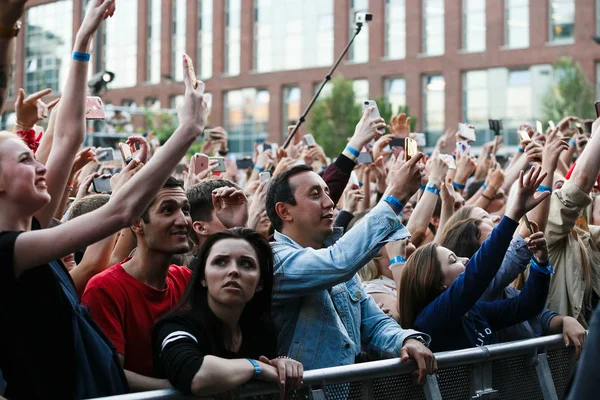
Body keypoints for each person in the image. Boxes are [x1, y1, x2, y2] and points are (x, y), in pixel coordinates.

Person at [0, 1, 209, 395]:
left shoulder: (32, 231)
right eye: (27, 157)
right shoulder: (5, 251)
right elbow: (123, 211)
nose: (42, 163)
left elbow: (67, 136)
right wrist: (187, 130)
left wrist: (83, 39)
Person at [266, 136, 437, 383]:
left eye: (327, 192)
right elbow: (338, 263)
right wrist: (395, 195)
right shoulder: (275, 260)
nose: (329, 202)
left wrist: (406, 339)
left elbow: (374, 323)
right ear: (284, 211)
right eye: (315, 195)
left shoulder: (337, 259)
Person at [398, 166, 552, 352]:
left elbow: (527, 306)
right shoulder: (433, 316)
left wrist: (541, 263)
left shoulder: (473, 312)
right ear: (438, 283)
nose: (465, 260)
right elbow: (476, 275)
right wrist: (513, 215)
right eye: (453, 260)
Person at [153, 228, 303, 398]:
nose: (234, 271)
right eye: (220, 262)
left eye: (246, 264)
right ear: (202, 277)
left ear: (260, 283)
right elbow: (194, 374)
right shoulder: (176, 326)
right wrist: (256, 367)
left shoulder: (262, 331)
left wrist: (280, 366)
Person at [82, 177, 193, 392]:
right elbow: (110, 370)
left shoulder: (185, 279)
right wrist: (180, 389)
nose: (183, 221)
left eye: (186, 210)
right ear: (136, 223)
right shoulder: (105, 289)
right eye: (168, 210)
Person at [440, 217, 587, 356]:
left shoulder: (480, 308)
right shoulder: (473, 298)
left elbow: (529, 307)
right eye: (493, 240)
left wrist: (564, 320)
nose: (465, 260)